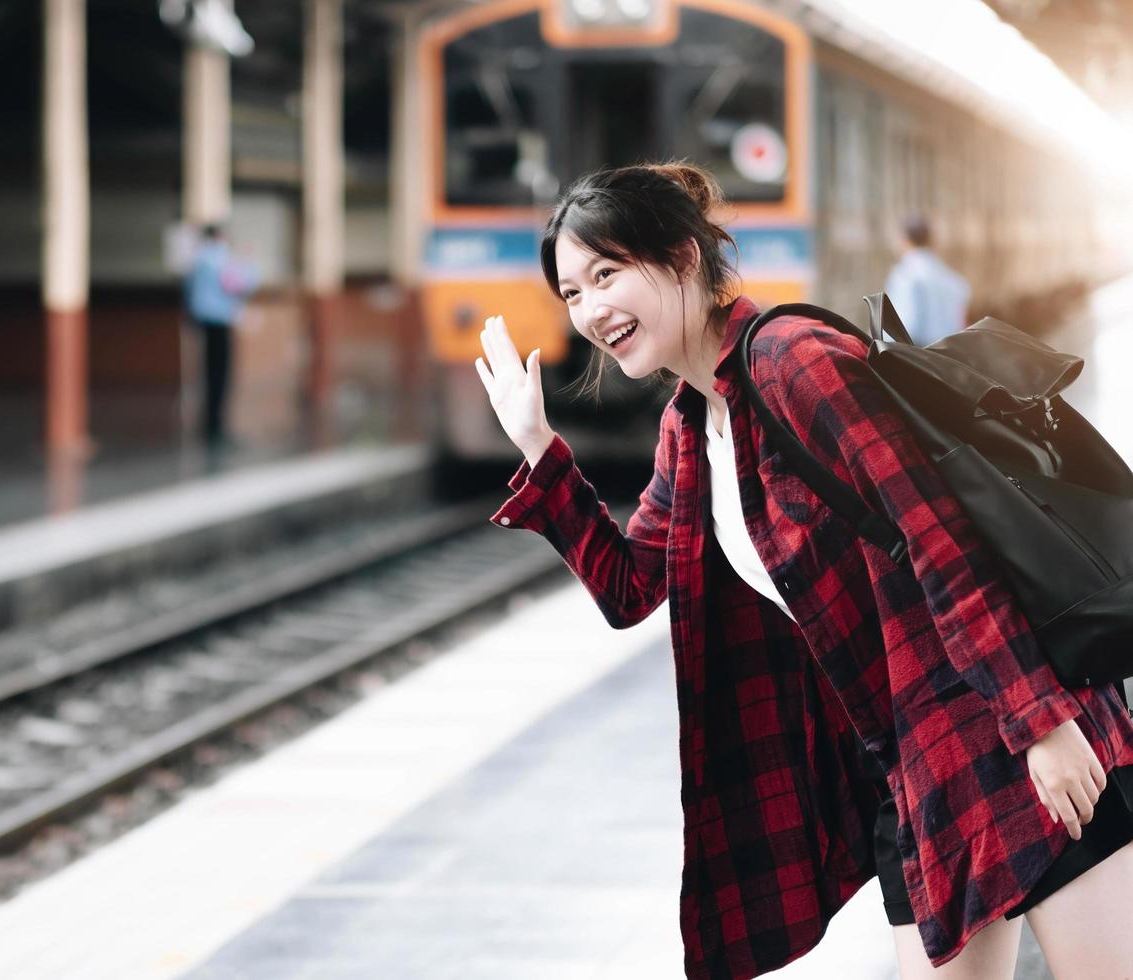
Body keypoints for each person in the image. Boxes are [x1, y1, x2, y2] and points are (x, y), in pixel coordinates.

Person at [473, 163, 1133, 980]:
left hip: (1000, 720)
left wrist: (1041, 721)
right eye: (571, 292)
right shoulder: (691, 427)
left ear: (682, 257)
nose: (591, 309)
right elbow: (629, 587)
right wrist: (538, 447)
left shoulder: (793, 359)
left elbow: (938, 538)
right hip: (913, 772)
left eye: (607, 273)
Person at [184, 223, 257, 445]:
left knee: (209, 373)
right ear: (219, 238)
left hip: (203, 321)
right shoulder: (218, 260)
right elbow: (240, 284)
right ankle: (216, 427)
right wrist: (248, 263)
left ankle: (210, 424)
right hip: (219, 321)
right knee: (220, 375)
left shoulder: (197, 261)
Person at [884, 215, 970, 345]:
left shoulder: (905, 274)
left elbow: (906, 326)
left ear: (904, 240)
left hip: (917, 356)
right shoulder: (952, 279)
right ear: (930, 240)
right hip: (948, 356)